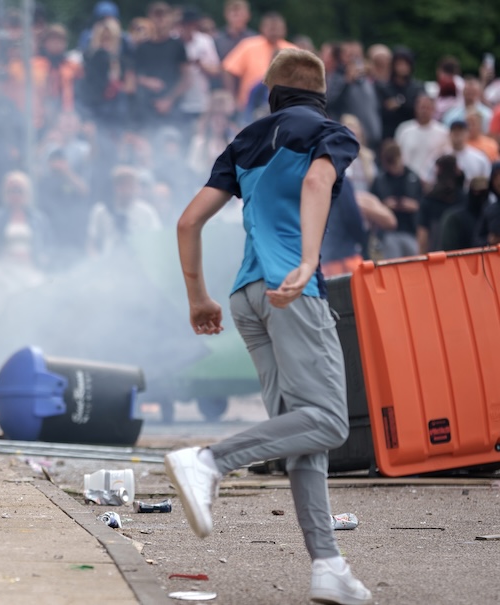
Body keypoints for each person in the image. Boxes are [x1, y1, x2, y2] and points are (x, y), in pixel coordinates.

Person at [168, 48, 372, 605]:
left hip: (245, 297)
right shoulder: (333, 132)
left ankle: (328, 564)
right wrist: (308, 261)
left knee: (304, 435)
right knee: (330, 421)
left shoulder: (245, 140)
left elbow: (188, 222)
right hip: (291, 291)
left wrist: (197, 298)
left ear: (271, 92)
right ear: (321, 93)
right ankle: (208, 461)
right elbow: (314, 186)